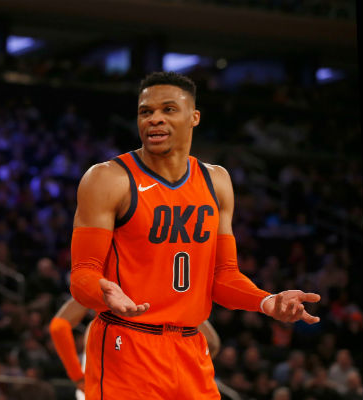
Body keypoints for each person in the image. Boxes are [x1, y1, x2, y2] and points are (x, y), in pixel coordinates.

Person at [69, 71, 320, 399]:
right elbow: (82, 274)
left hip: (190, 348)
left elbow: (224, 276)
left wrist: (266, 301)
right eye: (146, 112)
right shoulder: (107, 179)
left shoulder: (216, 181)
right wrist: (105, 294)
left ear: (194, 117)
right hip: (127, 344)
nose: (155, 119)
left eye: (168, 109)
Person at [48, 297, 220, 399]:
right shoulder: (168, 293)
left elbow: (59, 327)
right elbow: (212, 342)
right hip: (161, 383)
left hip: (105, 388)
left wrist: (78, 377)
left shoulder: (107, 281)